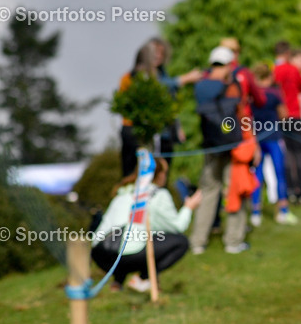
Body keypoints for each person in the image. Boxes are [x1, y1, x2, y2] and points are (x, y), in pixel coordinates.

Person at [91, 157, 201, 292]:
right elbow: (177, 227)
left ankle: (117, 283)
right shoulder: (158, 193)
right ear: (159, 174)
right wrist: (189, 207)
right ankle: (143, 279)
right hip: (126, 253)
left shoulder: (124, 191)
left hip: (99, 253)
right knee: (180, 242)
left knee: (136, 239)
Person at [189, 46, 258, 254]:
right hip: (233, 145)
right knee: (235, 189)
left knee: (209, 191)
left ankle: (198, 242)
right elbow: (242, 114)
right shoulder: (231, 86)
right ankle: (233, 241)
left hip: (211, 146)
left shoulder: (200, 86)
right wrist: (251, 141)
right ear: (229, 65)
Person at [118, 40, 201, 176]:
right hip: (137, 132)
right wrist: (184, 79)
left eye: (161, 53)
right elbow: (158, 86)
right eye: (154, 53)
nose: (158, 56)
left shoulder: (162, 75)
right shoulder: (133, 77)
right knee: (135, 172)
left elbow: (169, 103)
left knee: (160, 172)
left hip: (162, 134)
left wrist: (177, 127)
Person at [250, 64, 296, 226]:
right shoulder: (275, 93)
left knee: (257, 175)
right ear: (268, 77)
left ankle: (255, 212)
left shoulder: (251, 94)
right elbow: (284, 115)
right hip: (274, 138)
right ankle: (283, 211)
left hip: (257, 139)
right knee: (279, 175)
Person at [274, 42, 301, 203]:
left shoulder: (272, 70)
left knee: (286, 155)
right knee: (300, 155)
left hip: (279, 118)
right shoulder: (292, 69)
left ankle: (290, 191)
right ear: (288, 53)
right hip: (294, 116)